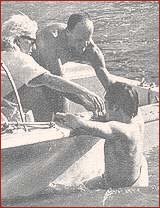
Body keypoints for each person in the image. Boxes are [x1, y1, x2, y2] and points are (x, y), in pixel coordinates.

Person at [2, 14, 105, 122]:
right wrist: (86, 93)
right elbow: (51, 80)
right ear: (18, 40)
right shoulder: (18, 58)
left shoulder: (5, 54)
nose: (34, 47)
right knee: (44, 89)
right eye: (32, 41)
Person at [56, 82, 149, 189]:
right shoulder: (137, 119)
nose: (104, 110)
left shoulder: (120, 129)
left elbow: (81, 124)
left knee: (65, 191)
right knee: (75, 188)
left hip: (120, 188)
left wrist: (68, 118)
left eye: (105, 104)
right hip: (135, 178)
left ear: (115, 107)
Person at [32, 12, 111, 120]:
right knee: (56, 104)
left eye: (87, 40)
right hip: (32, 77)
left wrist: (114, 98)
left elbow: (102, 70)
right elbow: (57, 82)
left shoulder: (88, 44)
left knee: (63, 110)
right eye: (79, 41)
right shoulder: (50, 40)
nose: (84, 46)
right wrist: (86, 102)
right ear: (68, 33)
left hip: (52, 75)